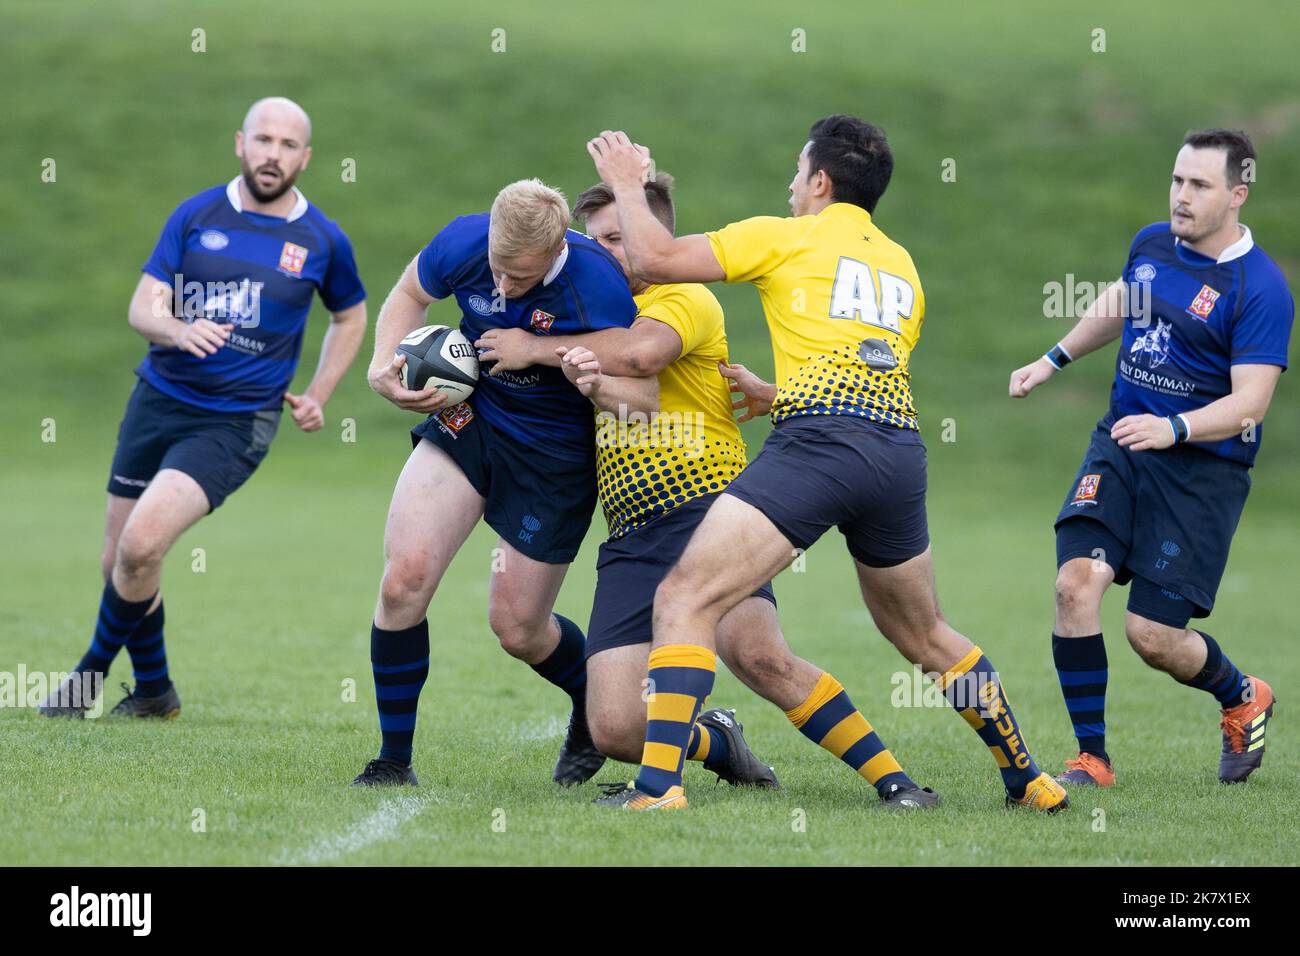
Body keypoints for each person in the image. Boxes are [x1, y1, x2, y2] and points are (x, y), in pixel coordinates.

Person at [584, 116, 1067, 811]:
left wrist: (627, 183)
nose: (788, 186)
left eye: (796, 172)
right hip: (897, 454)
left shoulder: (786, 236)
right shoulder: (901, 265)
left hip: (820, 450)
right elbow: (866, 373)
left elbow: (655, 258)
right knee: (923, 631)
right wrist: (780, 393)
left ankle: (658, 789)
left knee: (684, 596)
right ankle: (1029, 778)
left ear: (820, 182)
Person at [39, 97, 367, 719]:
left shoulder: (323, 240)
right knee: (120, 559)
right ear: (239, 143)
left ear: (306, 157)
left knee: (140, 546)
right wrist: (175, 330)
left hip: (236, 420)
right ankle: (157, 692)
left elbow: (350, 314)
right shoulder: (195, 216)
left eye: (288, 145)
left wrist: (320, 392)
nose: (273, 154)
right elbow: (143, 307)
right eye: (263, 140)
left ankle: (87, 678)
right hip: (157, 401)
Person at [1009, 128, 1292, 787]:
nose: (1181, 196)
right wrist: (1054, 358)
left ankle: (1241, 694)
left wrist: (1176, 426)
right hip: (1123, 444)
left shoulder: (1261, 289)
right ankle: (1092, 759)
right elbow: (1125, 299)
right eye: (1176, 180)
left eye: (1199, 186)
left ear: (1237, 195)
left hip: (1201, 474)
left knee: (1152, 638)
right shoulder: (1153, 243)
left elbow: (1251, 402)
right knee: (1074, 585)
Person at [351, 179, 637, 787]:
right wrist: (382, 365)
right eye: (497, 272)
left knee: (518, 630)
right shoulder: (464, 240)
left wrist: (537, 348)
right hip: (472, 420)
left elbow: (633, 359)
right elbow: (408, 293)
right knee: (404, 579)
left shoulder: (598, 281)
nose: (502, 288)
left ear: (560, 247)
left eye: (521, 278)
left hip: (555, 459)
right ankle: (392, 761)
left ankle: (593, 707)